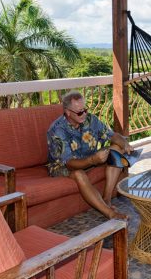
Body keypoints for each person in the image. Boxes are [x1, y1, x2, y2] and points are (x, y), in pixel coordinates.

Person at [47, 91, 133, 220]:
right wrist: (93, 160)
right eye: (80, 112)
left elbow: (111, 135)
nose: (84, 114)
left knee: (116, 148)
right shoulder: (57, 130)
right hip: (64, 166)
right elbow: (69, 163)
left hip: (90, 158)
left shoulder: (90, 119)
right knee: (79, 174)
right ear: (68, 112)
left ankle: (107, 198)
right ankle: (110, 213)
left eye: (85, 110)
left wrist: (125, 144)